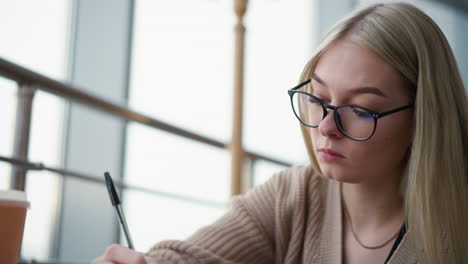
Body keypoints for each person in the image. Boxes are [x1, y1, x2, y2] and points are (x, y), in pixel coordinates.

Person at [92, 2, 468, 264]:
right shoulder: (295, 196)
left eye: (360, 110)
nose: (325, 127)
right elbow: (190, 257)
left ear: (424, 118)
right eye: (318, 98)